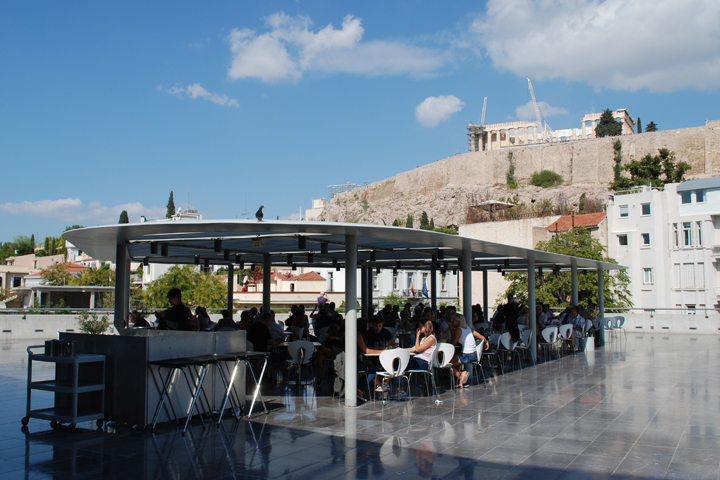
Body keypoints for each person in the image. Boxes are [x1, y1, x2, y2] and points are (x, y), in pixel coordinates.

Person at [451, 314, 489, 386]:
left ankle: (461, 375)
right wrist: (486, 341)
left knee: (447, 364)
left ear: (458, 322)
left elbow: (453, 343)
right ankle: (461, 382)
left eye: (454, 321)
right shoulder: (468, 328)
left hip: (466, 355)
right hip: (474, 355)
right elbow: (480, 336)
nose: (452, 322)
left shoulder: (458, 330)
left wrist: (451, 330)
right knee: (456, 360)